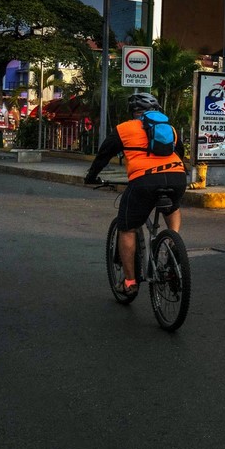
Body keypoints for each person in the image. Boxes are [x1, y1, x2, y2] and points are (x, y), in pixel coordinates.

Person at [84, 92, 187, 296]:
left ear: (133, 112)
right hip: (177, 177)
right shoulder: (170, 129)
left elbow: (103, 155)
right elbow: (180, 153)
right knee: (172, 207)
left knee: (128, 228)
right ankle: (174, 240)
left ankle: (130, 282)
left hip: (144, 181)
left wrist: (92, 176)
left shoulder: (124, 129)